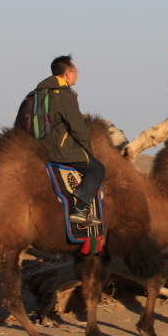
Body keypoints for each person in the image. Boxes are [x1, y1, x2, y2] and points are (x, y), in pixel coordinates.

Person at [35, 55, 105, 225]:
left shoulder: (39, 92)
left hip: (38, 147)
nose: (77, 75)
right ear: (67, 74)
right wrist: (88, 151)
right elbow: (77, 127)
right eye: (76, 71)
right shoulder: (64, 94)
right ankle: (81, 209)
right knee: (97, 169)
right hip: (59, 149)